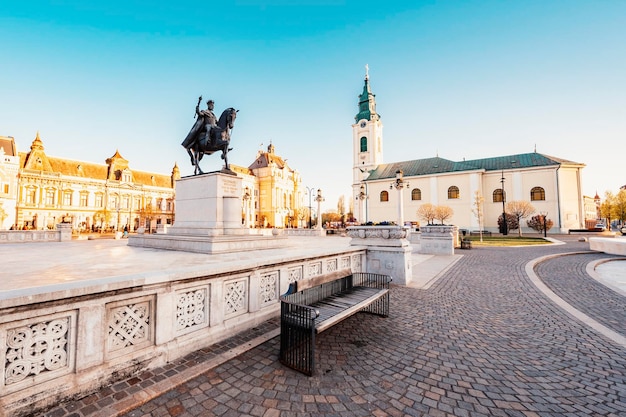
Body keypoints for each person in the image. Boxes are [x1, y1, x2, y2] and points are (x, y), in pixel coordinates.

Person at [181, 97, 218, 161]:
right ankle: (207, 141)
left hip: (213, 128)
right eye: (211, 105)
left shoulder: (213, 115)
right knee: (209, 127)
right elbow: (199, 113)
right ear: (209, 105)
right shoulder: (205, 112)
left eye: (213, 105)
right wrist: (197, 108)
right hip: (206, 127)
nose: (212, 106)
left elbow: (217, 122)